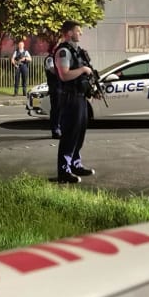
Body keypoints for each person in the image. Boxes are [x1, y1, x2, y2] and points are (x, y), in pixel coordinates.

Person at [53, 20, 96, 184]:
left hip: (80, 97)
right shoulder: (63, 51)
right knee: (70, 135)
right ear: (69, 33)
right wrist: (83, 70)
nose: (81, 33)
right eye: (78, 30)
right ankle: (64, 171)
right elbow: (64, 75)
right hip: (69, 99)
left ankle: (75, 165)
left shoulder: (77, 51)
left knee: (79, 134)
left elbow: (82, 78)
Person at [43, 53, 61, 139]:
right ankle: (55, 130)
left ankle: (61, 128)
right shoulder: (50, 59)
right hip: (55, 88)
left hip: (61, 87)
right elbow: (53, 70)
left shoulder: (59, 58)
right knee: (56, 110)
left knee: (61, 110)